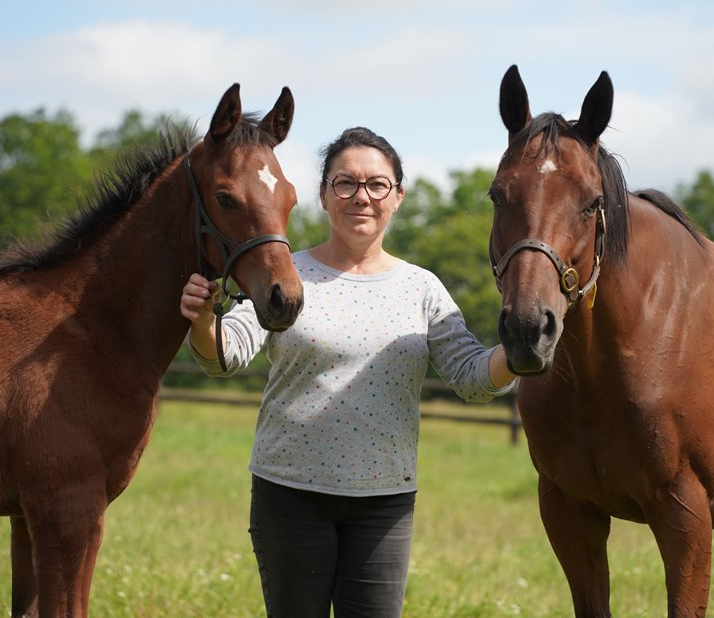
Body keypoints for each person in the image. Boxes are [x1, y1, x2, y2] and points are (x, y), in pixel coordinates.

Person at [179, 126, 516, 618]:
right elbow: (224, 356)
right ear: (323, 195)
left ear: (397, 197)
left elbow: (472, 375)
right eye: (345, 183)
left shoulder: (422, 289)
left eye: (377, 184)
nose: (362, 196)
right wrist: (204, 319)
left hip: (384, 503)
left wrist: (519, 348)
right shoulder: (285, 275)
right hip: (289, 495)